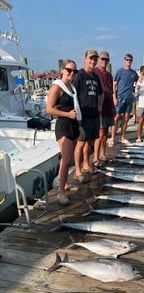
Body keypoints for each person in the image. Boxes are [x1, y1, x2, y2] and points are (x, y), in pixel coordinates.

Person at [46, 59, 80, 206]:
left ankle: (65, 184)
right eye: (69, 70)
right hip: (63, 124)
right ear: (62, 70)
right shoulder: (57, 86)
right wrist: (67, 115)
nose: (72, 73)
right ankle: (61, 193)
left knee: (69, 159)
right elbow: (49, 109)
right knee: (66, 159)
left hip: (73, 124)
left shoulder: (71, 87)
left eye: (74, 71)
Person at [73, 49, 103, 180]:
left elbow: (101, 93)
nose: (93, 61)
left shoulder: (96, 76)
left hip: (94, 114)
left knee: (89, 142)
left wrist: (99, 106)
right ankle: (77, 171)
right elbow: (73, 94)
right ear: (85, 59)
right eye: (91, 58)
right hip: (83, 115)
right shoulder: (79, 75)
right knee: (80, 142)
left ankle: (86, 164)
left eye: (95, 59)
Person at [109, 53, 138, 146]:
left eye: (130, 60)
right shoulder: (119, 71)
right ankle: (112, 138)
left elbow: (138, 82)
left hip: (129, 97)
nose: (128, 61)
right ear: (124, 60)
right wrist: (114, 96)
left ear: (132, 61)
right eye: (127, 59)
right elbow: (114, 84)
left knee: (126, 118)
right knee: (116, 117)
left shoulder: (134, 73)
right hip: (120, 96)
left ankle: (122, 137)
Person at [93, 51, 115, 164]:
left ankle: (102, 154)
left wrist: (113, 106)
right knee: (100, 132)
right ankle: (95, 157)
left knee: (106, 132)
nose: (104, 61)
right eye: (102, 59)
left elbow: (111, 91)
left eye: (106, 60)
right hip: (99, 107)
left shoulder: (109, 75)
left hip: (108, 106)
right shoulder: (95, 72)